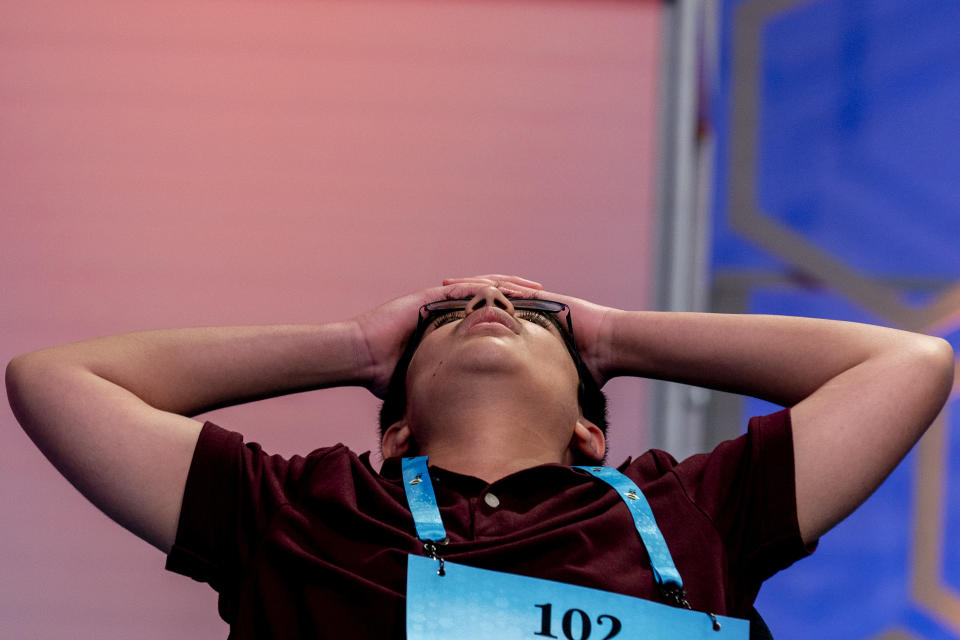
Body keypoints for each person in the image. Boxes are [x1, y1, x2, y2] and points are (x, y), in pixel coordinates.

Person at [6, 274, 954, 639]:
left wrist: (615, 332)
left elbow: (909, 363)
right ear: (397, 431)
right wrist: (352, 345)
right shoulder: (299, 508)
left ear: (592, 434)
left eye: (534, 316)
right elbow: (54, 381)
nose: (488, 306)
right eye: (448, 317)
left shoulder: (684, 511)